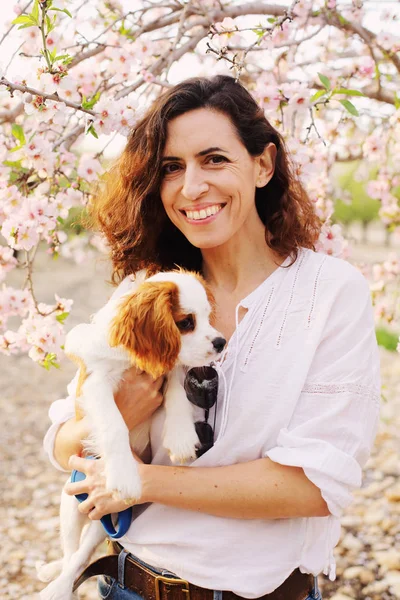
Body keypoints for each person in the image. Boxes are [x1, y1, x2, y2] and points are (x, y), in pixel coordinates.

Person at [43, 75, 381, 600]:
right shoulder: (147, 291)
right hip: (130, 585)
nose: (191, 186)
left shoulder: (330, 293)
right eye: (171, 168)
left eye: (215, 159)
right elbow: (62, 443)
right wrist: (119, 416)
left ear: (263, 164)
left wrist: (142, 481)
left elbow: (313, 486)